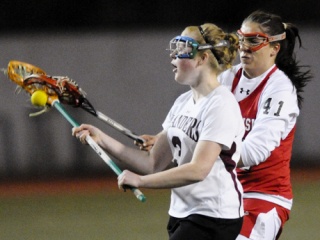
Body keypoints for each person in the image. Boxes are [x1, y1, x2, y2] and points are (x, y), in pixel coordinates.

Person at [136, 10, 312, 240]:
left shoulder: (279, 89)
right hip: (225, 194)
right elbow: (197, 116)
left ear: (274, 48)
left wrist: (205, 149)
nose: (243, 47)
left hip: (264, 196)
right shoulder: (228, 77)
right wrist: (166, 136)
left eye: (254, 40)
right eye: (241, 39)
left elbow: (254, 152)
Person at [73, 23, 245, 240]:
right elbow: (152, 164)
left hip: (214, 215)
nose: (173, 57)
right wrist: (102, 139)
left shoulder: (220, 104)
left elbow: (198, 169)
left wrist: (141, 182)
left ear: (202, 58)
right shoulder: (183, 103)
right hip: (182, 213)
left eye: (182, 49)